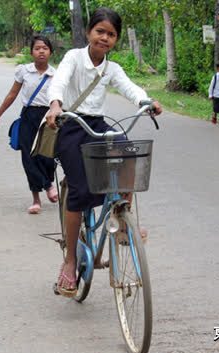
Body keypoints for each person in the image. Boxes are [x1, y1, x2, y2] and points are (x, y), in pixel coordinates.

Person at [44, 8, 162, 296]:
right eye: (100, 31)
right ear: (89, 33)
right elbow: (59, 80)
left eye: (111, 34)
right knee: (79, 191)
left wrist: (146, 101)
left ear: (116, 39)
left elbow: (129, 87)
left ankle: (123, 220)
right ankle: (70, 261)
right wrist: (56, 104)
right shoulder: (73, 57)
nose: (105, 38)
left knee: (129, 154)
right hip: (70, 122)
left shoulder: (112, 68)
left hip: (96, 124)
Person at [0, 36, 58, 214]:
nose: (41, 51)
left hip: (49, 118)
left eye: (45, 48)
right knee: (29, 157)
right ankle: (36, 199)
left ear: (50, 52)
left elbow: (61, 99)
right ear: (31, 52)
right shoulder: (24, 71)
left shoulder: (56, 74)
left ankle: (48, 181)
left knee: (48, 157)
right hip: (29, 116)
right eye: (37, 48)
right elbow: (12, 95)